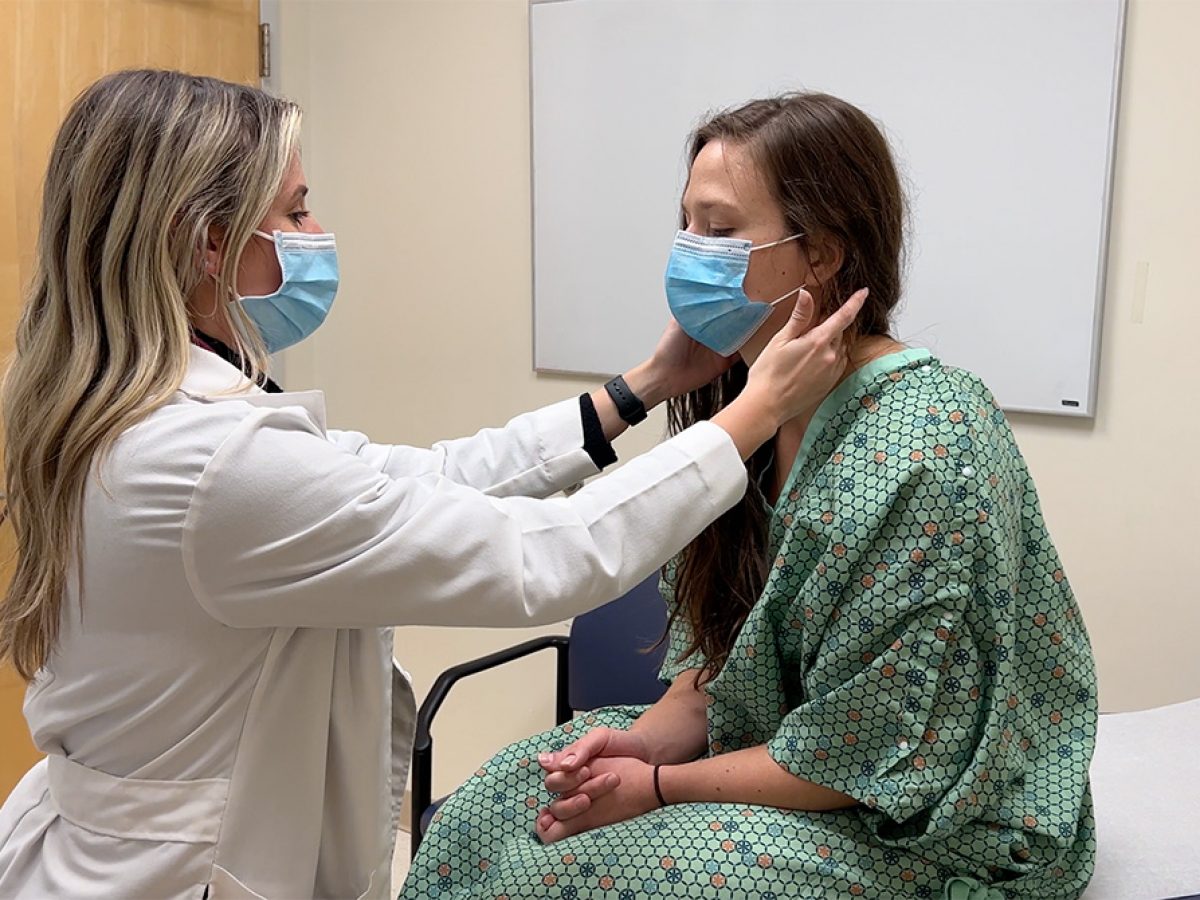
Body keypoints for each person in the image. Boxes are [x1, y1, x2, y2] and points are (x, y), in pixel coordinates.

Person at [0, 72, 866, 899]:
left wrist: (638, 390)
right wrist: (749, 415)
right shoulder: (209, 463)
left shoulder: (122, 405)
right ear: (209, 241)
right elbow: (549, 558)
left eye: (720, 231)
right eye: (295, 210)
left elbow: (422, 480)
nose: (315, 230)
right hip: (171, 868)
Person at [401, 93, 1097, 900]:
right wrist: (645, 743)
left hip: (916, 817)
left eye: (721, 229)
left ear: (825, 252)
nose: (690, 251)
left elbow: (867, 754)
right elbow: (725, 656)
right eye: (686, 222)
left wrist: (659, 789)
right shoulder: (750, 407)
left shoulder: (924, 444)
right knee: (496, 808)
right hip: (783, 761)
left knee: (583, 868)